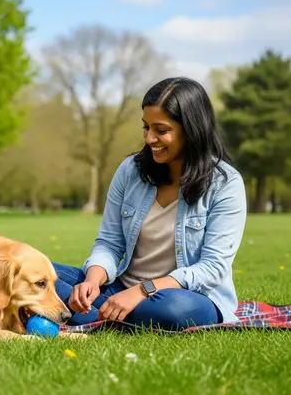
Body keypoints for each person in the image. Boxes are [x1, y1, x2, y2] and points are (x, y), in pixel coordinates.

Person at [53, 77, 247, 331]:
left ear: (192, 130)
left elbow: (212, 268)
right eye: (146, 127)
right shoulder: (130, 171)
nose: (150, 138)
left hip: (188, 296)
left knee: (173, 311)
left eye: (161, 130)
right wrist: (92, 279)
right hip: (120, 287)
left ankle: (83, 312)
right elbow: (109, 242)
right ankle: (102, 309)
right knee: (35, 272)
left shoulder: (226, 183)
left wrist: (143, 291)